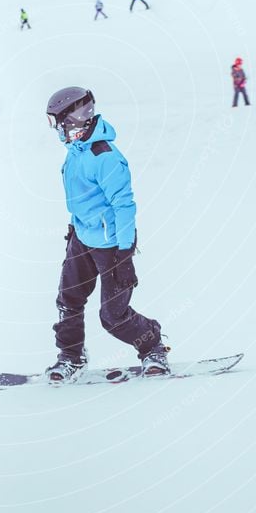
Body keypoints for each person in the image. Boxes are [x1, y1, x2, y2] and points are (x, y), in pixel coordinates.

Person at [44, 86, 170, 383]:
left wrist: (124, 254)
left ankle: (153, 346)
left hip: (113, 244)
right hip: (83, 237)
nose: (57, 130)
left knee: (113, 317)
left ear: (72, 119)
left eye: (57, 122)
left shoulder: (106, 157)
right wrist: (75, 229)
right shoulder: (76, 152)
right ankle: (71, 357)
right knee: (68, 301)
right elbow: (82, 199)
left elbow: (124, 206)